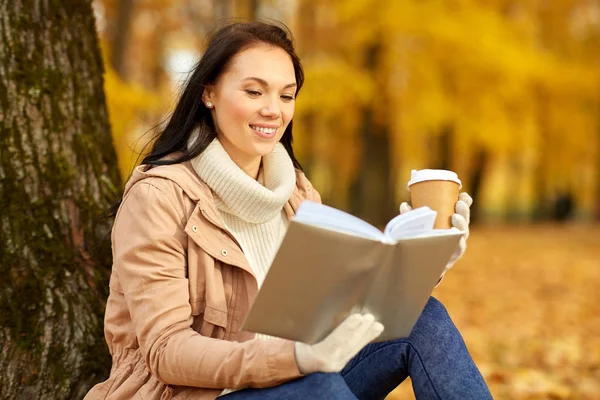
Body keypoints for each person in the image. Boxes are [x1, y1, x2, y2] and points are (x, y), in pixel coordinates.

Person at [84, 21, 493, 400]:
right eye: (254, 91)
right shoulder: (159, 197)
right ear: (209, 93)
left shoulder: (297, 194)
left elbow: (345, 310)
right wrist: (297, 359)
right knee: (321, 389)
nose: (273, 110)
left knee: (424, 320)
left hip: (301, 379)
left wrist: (429, 258)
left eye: (286, 94)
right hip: (201, 394)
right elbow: (166, 351)